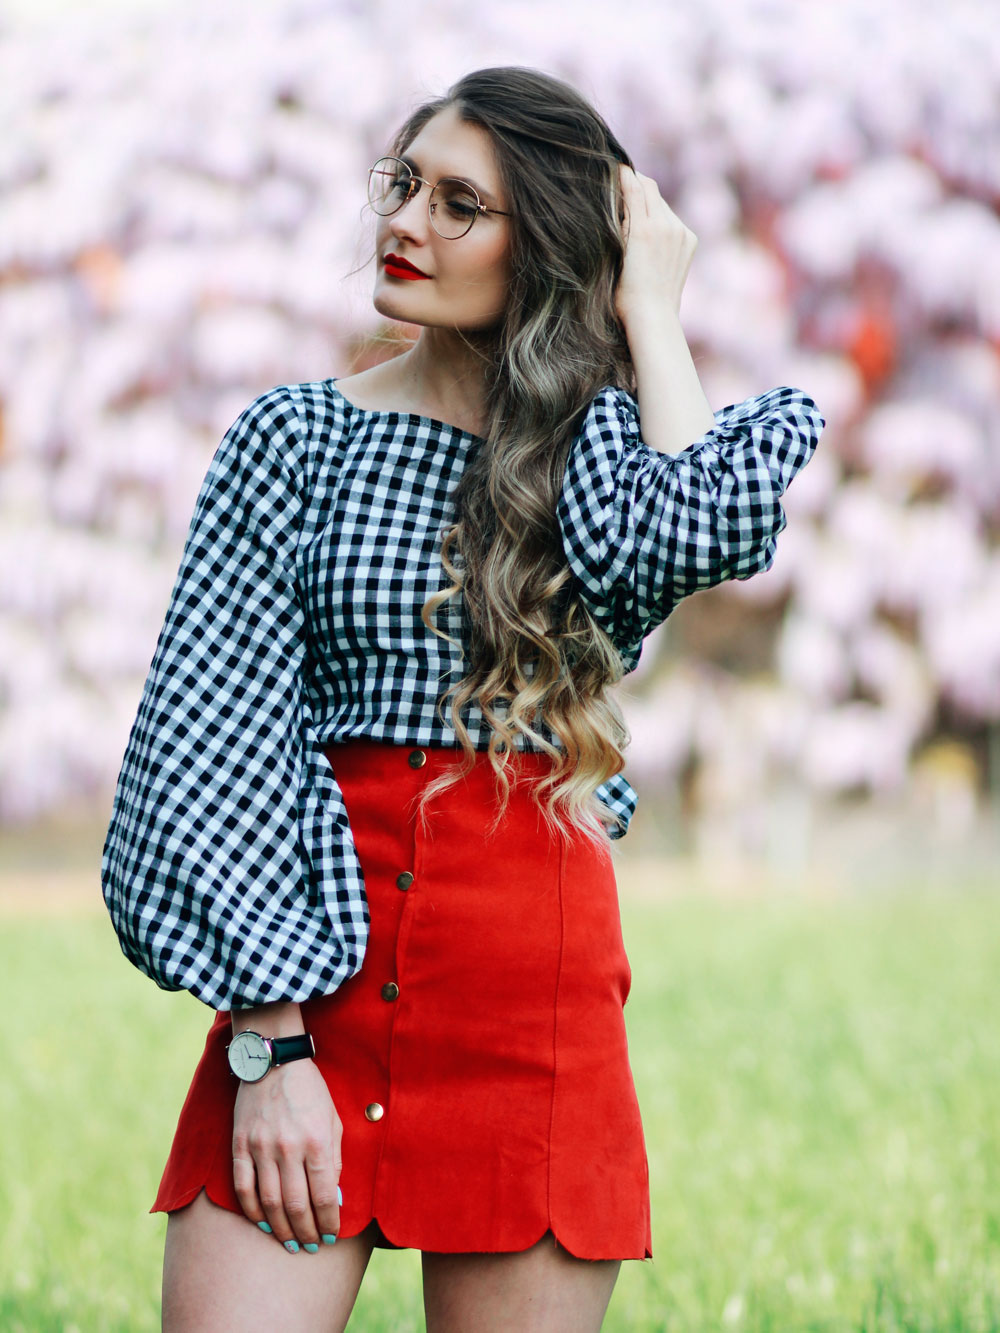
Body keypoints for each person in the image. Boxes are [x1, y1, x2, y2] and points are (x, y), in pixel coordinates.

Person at [101, 66, 825, 1332]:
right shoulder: (294, 441)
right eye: (402, 184)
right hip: (314, 980)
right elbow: (210, 740)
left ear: (538, 244)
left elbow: (706, 530)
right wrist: (270, 1045)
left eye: (456, 204)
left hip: (528, 1000)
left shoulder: (597, 458)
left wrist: (648, 302)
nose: (404, 222)